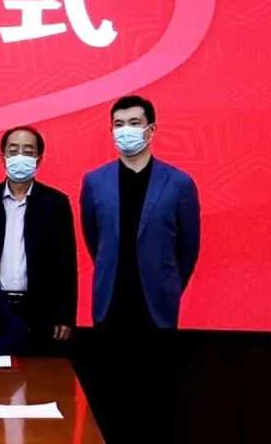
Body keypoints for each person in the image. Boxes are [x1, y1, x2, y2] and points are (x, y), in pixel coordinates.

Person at [79, 94, 201, 443]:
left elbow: (188, 248)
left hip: (155, 311)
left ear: (151, 129)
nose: (126, 131)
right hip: (110, 308)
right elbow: (93, 238)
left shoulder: (178, 183)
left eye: (134, 123)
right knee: (109, 403)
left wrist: (168, 285)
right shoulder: (95, 181)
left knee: (154, 404)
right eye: (119, 124)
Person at [0, 125, 77, 355]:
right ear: (3, 157)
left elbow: (65, 263)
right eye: (13, 150)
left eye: (27, 151)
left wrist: (65, 315)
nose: (20, 156)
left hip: (38, 309)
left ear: (39, 159)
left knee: (37, 373)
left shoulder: (55, 203)